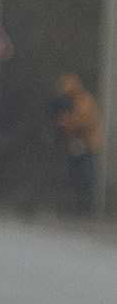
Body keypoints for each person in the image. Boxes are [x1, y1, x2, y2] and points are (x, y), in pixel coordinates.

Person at [56, 73, 104, 218]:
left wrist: (67, 123)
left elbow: (85, 123)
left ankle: (87, 210)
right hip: (75, 147)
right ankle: (79, 209)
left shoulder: (85, 102)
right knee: (75, 178)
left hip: (88, 146)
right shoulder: (70, 104)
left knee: (86, 178)